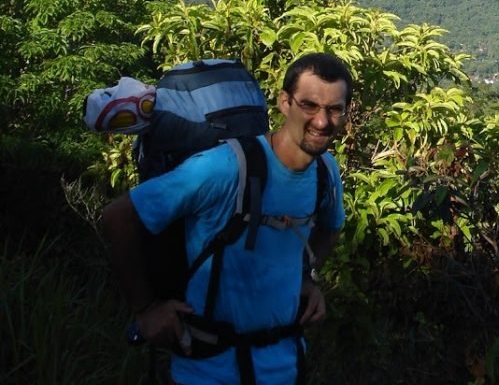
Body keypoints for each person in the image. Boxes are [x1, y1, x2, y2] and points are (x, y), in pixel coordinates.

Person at [102, 52, 353, 385]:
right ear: (284, 103)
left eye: (334, 109)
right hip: (207, 371)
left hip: (286, 365)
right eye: (309, 105)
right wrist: (146, 309)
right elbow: (117, 218)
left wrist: (307, 276)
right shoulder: (224, 168)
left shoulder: (325, 171)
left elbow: (330, 228)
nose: (322, 122)